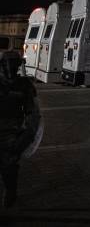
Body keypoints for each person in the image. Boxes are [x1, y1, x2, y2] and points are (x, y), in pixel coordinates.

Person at [0, 50, 40, 209]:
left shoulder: (24, 85)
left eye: (13, 63)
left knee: (9, 166)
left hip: (12, 132)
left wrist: (27, 136)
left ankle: (10, 191)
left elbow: (33, 113)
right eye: (6, 63)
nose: (9, 67)